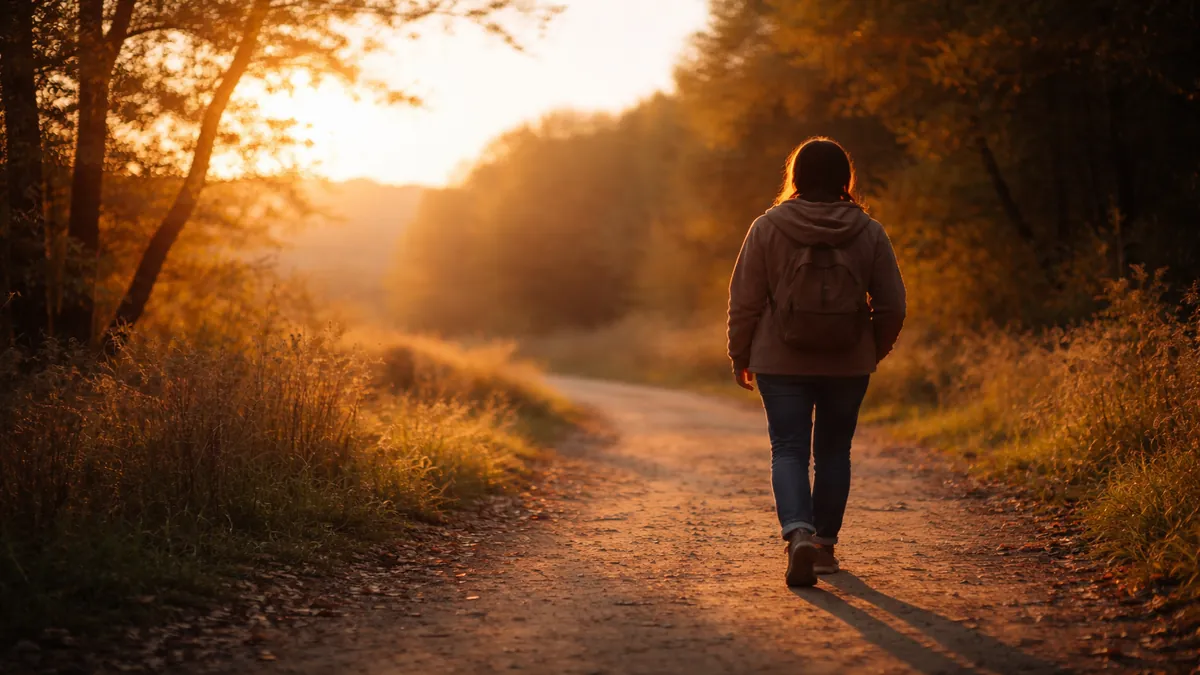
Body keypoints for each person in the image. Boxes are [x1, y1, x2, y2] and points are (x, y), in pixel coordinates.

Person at [726, 137, 906, 587]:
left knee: (788, 449)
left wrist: (740, 354)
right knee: (834, 450)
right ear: (845, 177)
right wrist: (871, 350)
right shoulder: (869, 231)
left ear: (797, 176)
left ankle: (799, 534)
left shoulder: (767, 227)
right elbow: (893, 305)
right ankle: (824, 549)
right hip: (848, 362)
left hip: (779, 359)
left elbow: (744, 301)